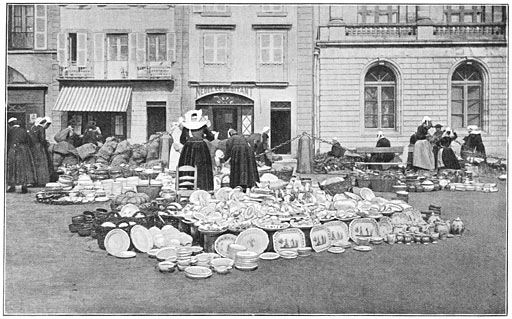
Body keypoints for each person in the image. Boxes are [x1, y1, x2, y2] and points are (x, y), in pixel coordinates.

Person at [178, 110, 215, 191]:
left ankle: (188, 186)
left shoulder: (186, 127)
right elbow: (211, 137)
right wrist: (203, 138)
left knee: (188, 164)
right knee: (202, 166)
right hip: (201, 147)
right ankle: (203, 186)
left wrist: (189, 143)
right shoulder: (203, 126)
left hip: (189, 148)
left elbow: (182, 140)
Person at [7, 120, 37, 193]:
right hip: (23, 150)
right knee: (24, 167)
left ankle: (12, 185)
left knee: (13, 167)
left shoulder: (10, 131)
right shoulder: (23, 131)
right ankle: (24, 185)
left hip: (13, 149)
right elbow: (29, 140)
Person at [29, 117, 52, 186]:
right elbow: (42, 139)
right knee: (42, 164)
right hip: (39, 148)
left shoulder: (33, 128)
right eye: (47, 125)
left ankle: (35, 181)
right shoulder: (41, 129)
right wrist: (46, 143)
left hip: (33, 148)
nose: (47, 126)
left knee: (35, 164)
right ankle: (42, 181)